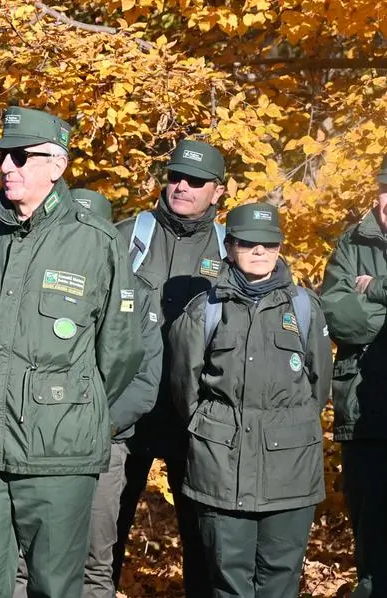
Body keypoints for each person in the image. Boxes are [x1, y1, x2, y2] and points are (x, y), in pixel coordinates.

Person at [0, 106, 144, 598]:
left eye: (20, 156)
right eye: (0, 156)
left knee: (55, 588)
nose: (6, 166)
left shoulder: (96, 241)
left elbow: (118, 350)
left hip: (58, 453)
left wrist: (63, 403)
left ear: (56, 165)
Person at [168, 201, 332, 597]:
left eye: (269, 244)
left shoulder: (305, 307)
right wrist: (216, 428)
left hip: (290, 466)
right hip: (220, 466)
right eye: (248, 243)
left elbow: (318, 385)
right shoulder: (203, 311)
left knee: (280, 579)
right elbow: (184, 387)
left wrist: (287, 427)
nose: (260, 251)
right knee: (228, 580)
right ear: (229, 246)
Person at [12, 187, 162, 598]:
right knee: (27, 557)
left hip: (105, 444)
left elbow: (144, 382)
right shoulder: (29, 284)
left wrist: (98, 423)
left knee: (96, 560)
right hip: (37, 439)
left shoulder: (139, 294)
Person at [113, 139, 229, 596]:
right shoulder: (127, 236)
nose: (181, 186)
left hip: (195, 417)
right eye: (175, 176)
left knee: (202, 541)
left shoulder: (232, 249)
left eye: (195, 180)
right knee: (103, 534)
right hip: (125, 413)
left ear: (218, 191)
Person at [320, 155, 387, 598]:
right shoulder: (351, 243)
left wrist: (377, 288)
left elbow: (363, 308)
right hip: (367, 407)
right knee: (372, 532)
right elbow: (340, 317)